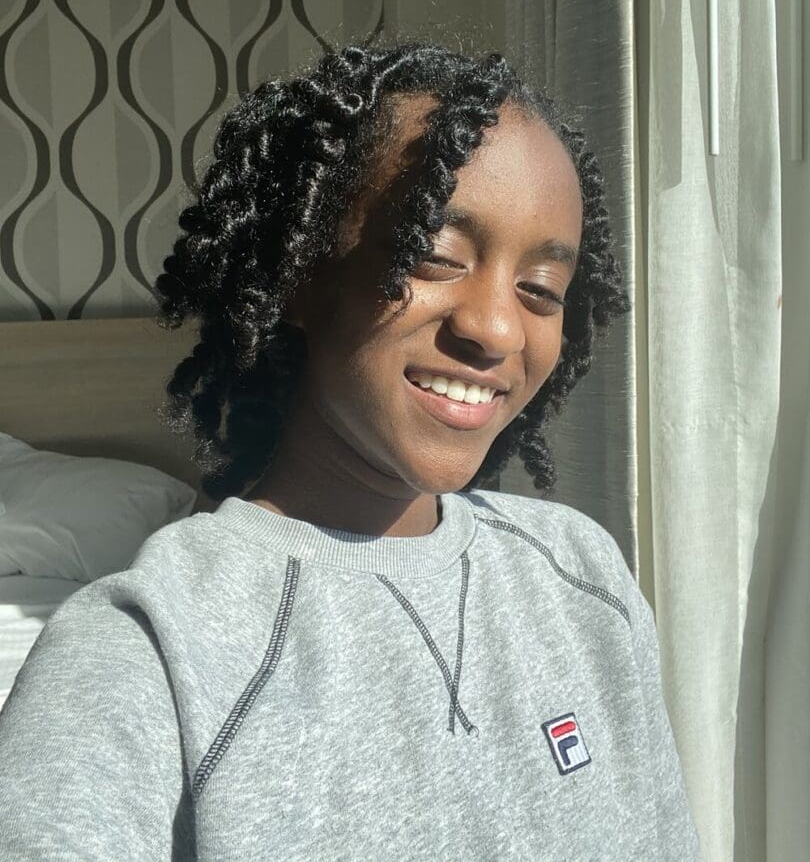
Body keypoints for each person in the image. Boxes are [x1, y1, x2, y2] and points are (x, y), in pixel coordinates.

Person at [0, 42, 702, 860]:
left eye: (540, 291)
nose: (497, 328)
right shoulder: (146, 652)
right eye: (434, 256)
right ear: (300, 271)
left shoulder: (584, 578)